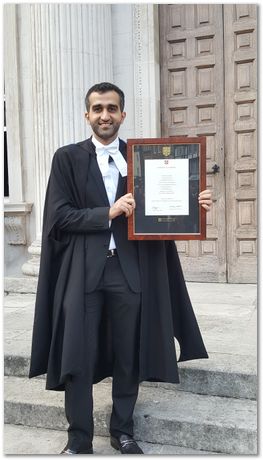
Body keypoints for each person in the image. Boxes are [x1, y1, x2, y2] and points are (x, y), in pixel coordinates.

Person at [29, 82, 212, 455]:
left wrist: (195, 204)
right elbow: (58, 217)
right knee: (76, 354)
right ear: (87, 115)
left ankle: (123, 430)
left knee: (128, 353)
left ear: (122, 115)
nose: (104, 116)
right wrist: (107, 213)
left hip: (130, 272)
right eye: (97, 109)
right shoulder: (67, 158)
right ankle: (79, 438)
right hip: (83, 272)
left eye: (112, 108)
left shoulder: (143, 156)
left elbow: (166, 205)